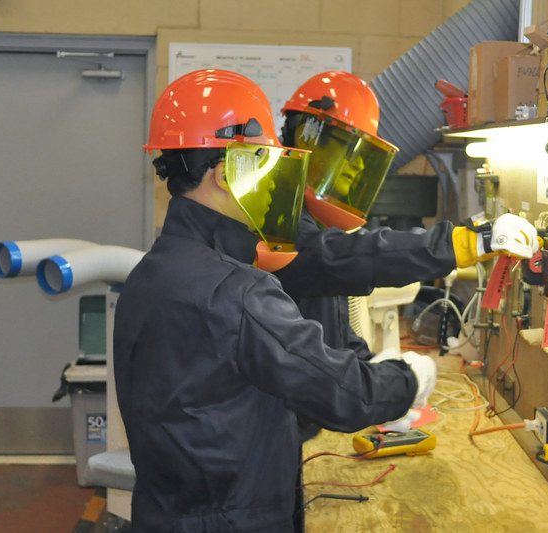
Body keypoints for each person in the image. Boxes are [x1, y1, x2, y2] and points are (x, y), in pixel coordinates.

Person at [113, 69, 437, 532]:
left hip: (166, 514)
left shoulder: (149, 275)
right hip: (236, 519)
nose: (271, 179)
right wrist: (409, 377)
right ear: (225, 174)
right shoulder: (237, 291)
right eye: (262, 163)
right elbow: (346, 397)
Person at [275, 70, 539, 356]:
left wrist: (378, 375)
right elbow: (334, 257)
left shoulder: (313, 220)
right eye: (346, 151)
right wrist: (463, 243)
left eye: (362, 158)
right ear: (307, 139)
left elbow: (331, 335)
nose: (356, 169)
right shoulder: (279, 220)